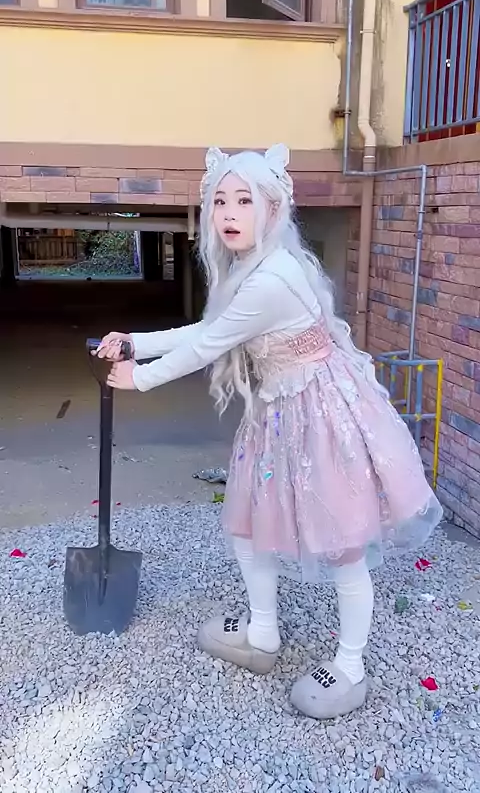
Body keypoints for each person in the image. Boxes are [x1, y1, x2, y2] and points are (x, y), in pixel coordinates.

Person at [96, 145, 442, 720]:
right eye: (220, 201)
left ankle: (351, 667)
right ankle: (261, 632)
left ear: (273, 209)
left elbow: (210, 344)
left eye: (244, 201)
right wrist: (137, 340)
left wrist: (142, 377)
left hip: (319, 418)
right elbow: (210, 327)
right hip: (280, 413)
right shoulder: (257, 266)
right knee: (248, 524)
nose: (229, 213)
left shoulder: (271, 279)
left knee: (343, 544)